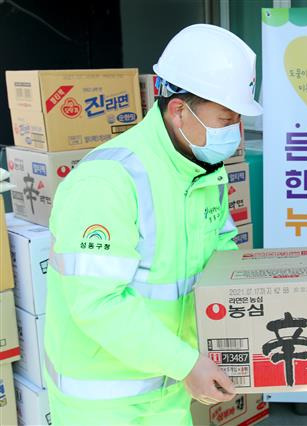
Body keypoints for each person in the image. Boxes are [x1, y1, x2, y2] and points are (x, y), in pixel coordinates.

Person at [44, 24, 262, 425]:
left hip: (169, 393)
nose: (234, 131)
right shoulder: (108, 181)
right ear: (179, 110)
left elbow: (223, 254)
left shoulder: (201, 172)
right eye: (225, 118)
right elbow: (97, 302)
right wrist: (184, 362)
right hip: (102, 405)